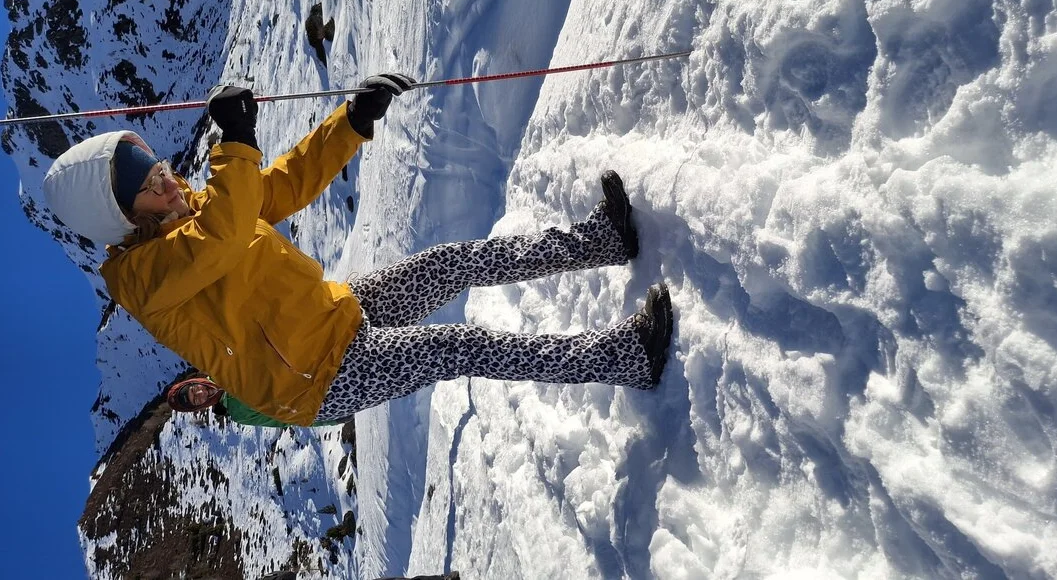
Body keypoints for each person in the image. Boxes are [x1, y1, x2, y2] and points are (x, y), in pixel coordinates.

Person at [42, 74, 674, 427]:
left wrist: (351, 121)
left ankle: (599, 242)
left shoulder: (205, 209)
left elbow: (283, 184)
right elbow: (226, 239)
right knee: (457, 345)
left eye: (156, 166)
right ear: (122, 221)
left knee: (449, 263)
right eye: (149, 186)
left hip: (336, 312)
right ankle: (623, 360)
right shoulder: (142, 280)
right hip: (314, 381)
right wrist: (233, 141)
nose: (168, 180)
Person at [166, 376, 348, 428]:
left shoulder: (222, 367)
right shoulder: (239, 413)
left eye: (193, 389)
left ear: (193, 382)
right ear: (200, 406)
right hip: (323, 400)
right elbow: (283, 419)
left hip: (317, 363)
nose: (200, 392)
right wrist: (331, 418)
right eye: (196, 399)